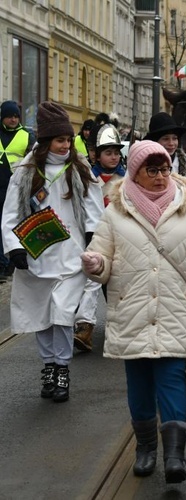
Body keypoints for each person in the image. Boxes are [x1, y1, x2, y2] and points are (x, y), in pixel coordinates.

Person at [81, 140, 186, 483]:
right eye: (152, 170)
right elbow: (102, 258)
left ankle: (175, 455)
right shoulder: (116, 211)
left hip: (176, 310)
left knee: (172, 379)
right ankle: (145, 448)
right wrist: (96, 264)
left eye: (165, 169)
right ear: (135, 173)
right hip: (133, 311)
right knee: (140, 384)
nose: (161, 177)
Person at [1, 101, 104, 402]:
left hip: (70, 256)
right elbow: (10, 213)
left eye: (69, 140)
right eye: (60, 140)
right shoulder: (26, 171)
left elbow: (93, 204)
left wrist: (91, 233)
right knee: (41, 316)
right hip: (36, 257)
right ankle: (49, 367)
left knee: (62, 315)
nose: (66, 145)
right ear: (46, 141)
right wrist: (14, 248)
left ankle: (62, 370)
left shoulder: (80, 167)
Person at [73, 124, 126, 353]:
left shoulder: (128, 179)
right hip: (96, 235)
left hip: (123, 236)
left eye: (116, 152)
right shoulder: (87, 179)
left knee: (123, 282)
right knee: (91, 280)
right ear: (96, 154)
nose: (113, 157)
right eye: (108, 152)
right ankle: (85, 326)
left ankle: (124, 324)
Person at [0, 100, 35, 279]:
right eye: (9, 116)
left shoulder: (27, 135)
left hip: (18, 188)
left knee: (17, 224)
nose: (13, 120)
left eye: (15, 116)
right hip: (0, 185)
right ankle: (2, 264)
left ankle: (14, 258)